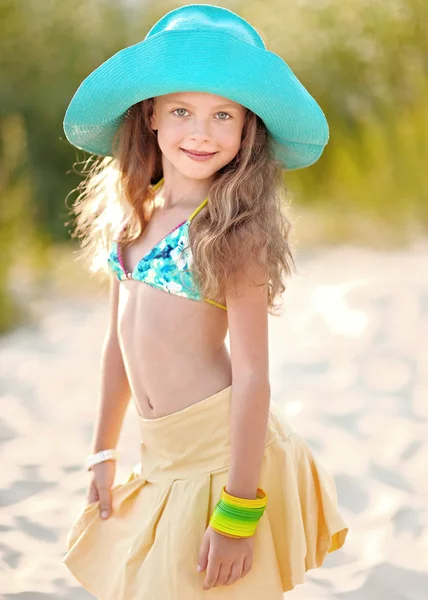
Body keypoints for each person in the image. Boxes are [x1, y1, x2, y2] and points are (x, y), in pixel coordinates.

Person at [61, 4, 348, 599]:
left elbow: (252, 378)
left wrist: (239, 512)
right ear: (151, 117)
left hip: (225, 457)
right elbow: (117, 346)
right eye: (182, 111)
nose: (201, 131)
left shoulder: (231, 231)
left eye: (224, 115)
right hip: (163, 455)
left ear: (247, 130)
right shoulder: (133, 218)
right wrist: (103, 452)